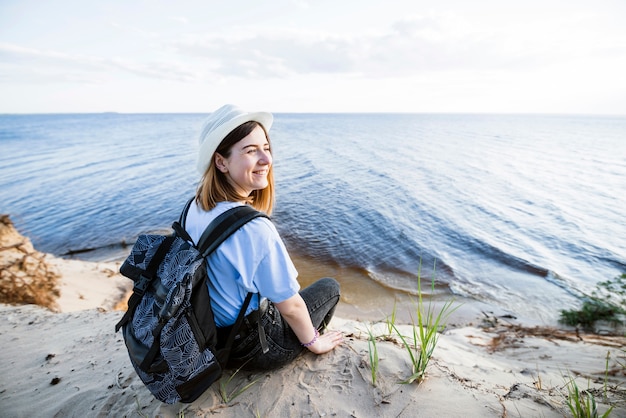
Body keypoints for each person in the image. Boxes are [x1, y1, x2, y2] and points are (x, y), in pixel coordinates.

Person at [184, 104, 343, 371]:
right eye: (250, 151)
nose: (267, 160)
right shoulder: (253, 229)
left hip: (208, 336)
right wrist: (313, 342)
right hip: (253, 349)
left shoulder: (194, 207)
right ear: (221, 162)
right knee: (330, 287)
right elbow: (290, 305)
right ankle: (307, 341)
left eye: (266, 148)